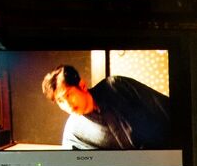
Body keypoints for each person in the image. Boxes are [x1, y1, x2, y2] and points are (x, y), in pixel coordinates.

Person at [41, 64, 171, 150]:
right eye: (60, 101)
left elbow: (166, 109)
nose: (67, 105)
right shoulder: (73, 133)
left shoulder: (116, 86)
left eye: (68, 95)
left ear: (82, 85)